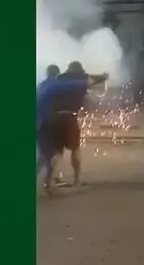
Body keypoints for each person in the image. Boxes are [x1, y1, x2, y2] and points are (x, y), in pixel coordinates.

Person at [36, 61, 108, 190]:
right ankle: (76, 179)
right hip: (68, 118)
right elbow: (87, 83)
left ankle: (51, 179)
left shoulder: (44, 84)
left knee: (55, 152)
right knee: (75, 148)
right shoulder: (64, 84)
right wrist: (103, 77)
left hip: (49, 120)